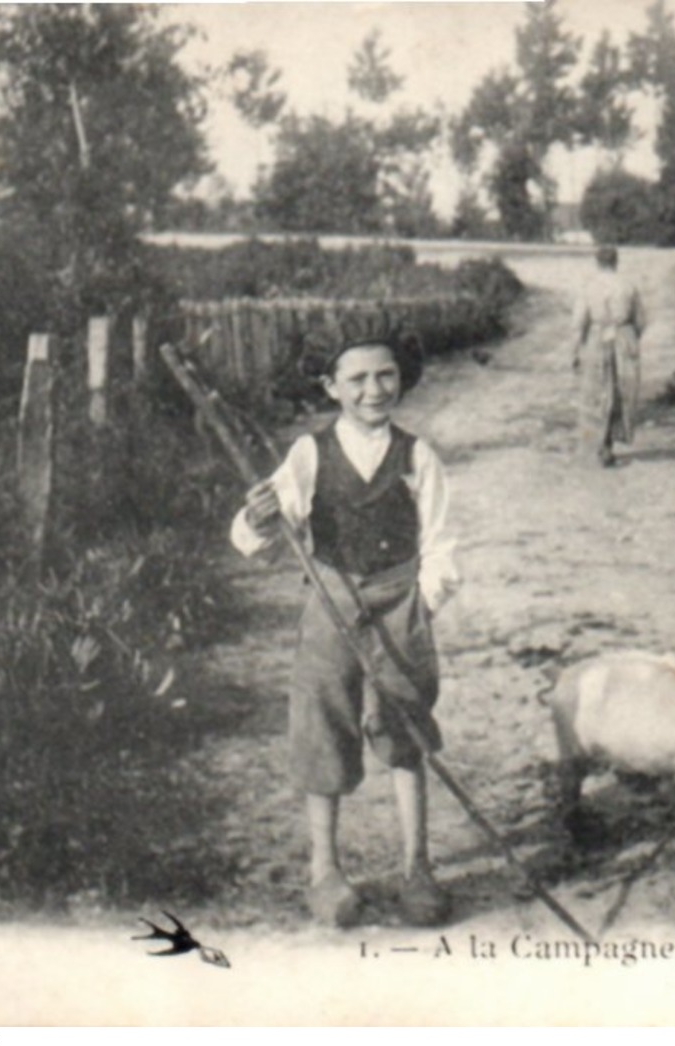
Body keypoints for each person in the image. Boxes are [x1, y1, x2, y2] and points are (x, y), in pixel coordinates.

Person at [231, 339, 461, 929]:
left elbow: (439, 543)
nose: (373, 390)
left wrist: (421, 604)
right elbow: (256, 530)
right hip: (330, 598)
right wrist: (257, 520)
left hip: (397, 600)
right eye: (356, 379)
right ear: (331, 388)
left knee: (405, 725)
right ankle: (325, 870)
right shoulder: (310, 453)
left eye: (386, 376)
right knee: (322, 724)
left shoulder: (417, 456)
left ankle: (417, 867)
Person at [570, 245, 647, 467]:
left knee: (598, 391)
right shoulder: (628, 285)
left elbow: (578, 322)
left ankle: (601, 445)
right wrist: (631, 338)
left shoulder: (589, 286)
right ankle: (609, 443)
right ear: (616, 261)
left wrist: (575, 350)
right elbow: (640, 320)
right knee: (622, 391)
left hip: (597, 336)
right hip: (624, 336)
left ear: (597, 262)